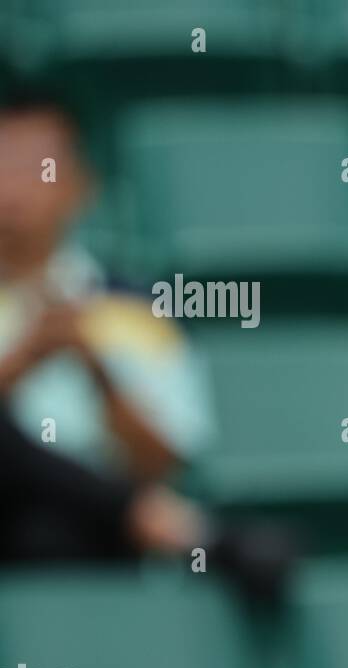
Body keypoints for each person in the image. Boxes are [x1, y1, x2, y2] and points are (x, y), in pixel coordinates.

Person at [0, 87, 296, 604]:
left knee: (53, 526)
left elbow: (161, 461)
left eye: (36, 167)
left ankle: (147, 520)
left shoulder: (137, 310)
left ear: (79, 185)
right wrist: (22, 361)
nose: (14, 189)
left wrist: (96, 370)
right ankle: (183, 531)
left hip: (93, 545)